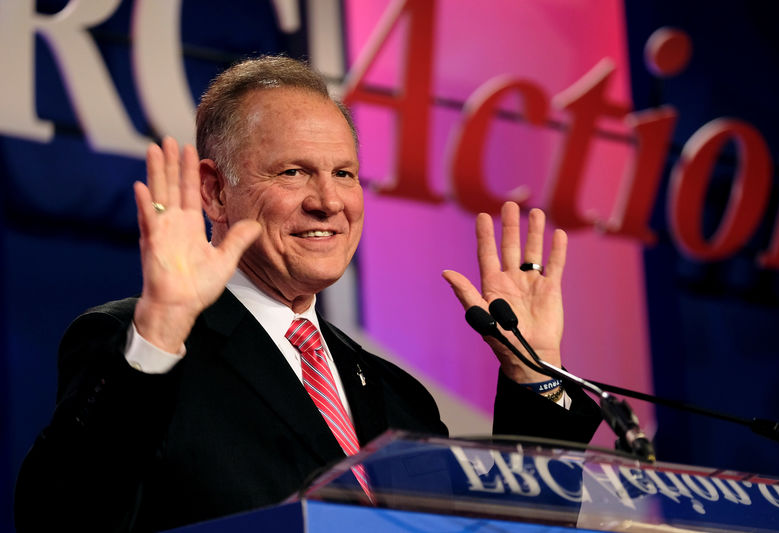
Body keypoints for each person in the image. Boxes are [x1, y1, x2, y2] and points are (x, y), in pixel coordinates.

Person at [14, 55, 601, 532]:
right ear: (215, 193)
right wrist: (162, 329)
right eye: (293, 172)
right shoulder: (142, 346)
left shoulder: (400, 400)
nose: (329, 201)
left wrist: (535, 375)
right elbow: (61, 521)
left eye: (344, 173)